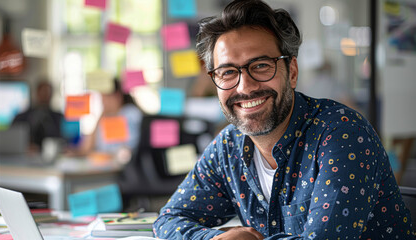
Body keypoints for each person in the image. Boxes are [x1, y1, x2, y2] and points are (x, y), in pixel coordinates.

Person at [153, 0, 414, 239]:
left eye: (261, 66)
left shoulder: (341, 134)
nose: (245, 87)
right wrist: (214, 239)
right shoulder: (228, 147)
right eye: (228, 72)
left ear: (291, 72)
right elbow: (169, 219)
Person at [77, 78, 142, 164]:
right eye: (101, 97)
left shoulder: (131, 114)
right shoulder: (106, 117)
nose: (103, 101)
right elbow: (86, 148)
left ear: (118, 95)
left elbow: (129, 149)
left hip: (124, 168)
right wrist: (101, 116)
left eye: (106, 96)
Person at [12, 79, 63, 152]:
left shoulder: (59, 117)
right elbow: (13, 139)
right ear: (37, 93)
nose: (46, 96)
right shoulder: (21, 117)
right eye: (43, 92)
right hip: (25, 156)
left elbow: (64, 140)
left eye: (48, 93)